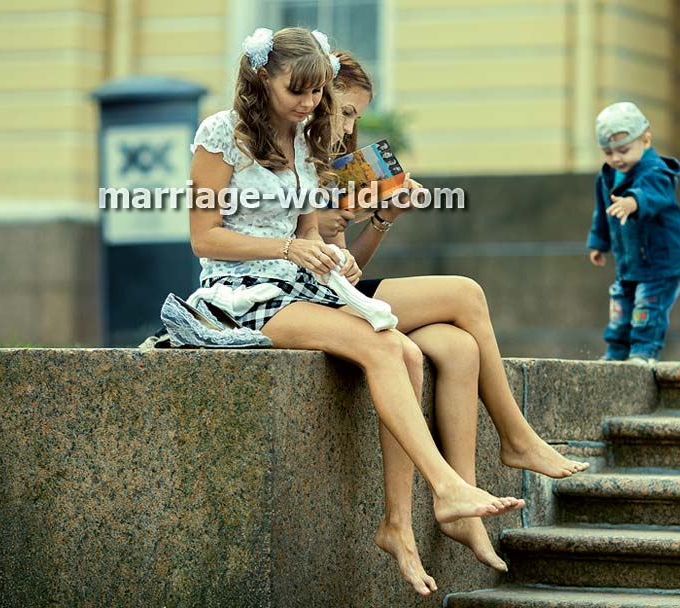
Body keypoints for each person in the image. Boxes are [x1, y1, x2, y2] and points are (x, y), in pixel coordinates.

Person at [187, 27, 523, 597]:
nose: (310, 103)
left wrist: (335, 254)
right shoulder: (219, 134)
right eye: (299, 90)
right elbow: (204, 238)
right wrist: (290, 248)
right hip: (238, 294)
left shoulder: (300, 141)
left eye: (318, 93)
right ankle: (446, 487)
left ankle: (397, 524)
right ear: (262, 78)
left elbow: (307, 231)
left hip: (297, 281)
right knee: (379, 343)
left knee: (404, 349)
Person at [317, 52, 590, 588]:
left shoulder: (340, 163)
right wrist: (315, 227)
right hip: (308, 302)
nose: (349, 127)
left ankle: (460, 507)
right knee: (466, 294)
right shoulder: (295, 155)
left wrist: (380, 221)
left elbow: (351, 266)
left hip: (341, 292)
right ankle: (515, 436)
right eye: (344, 112)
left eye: (356, 117)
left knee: (460, 349)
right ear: (317, 97)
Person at [586, 101, 680, 362]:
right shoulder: (607, 178)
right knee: (620, 308)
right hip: (629, 261)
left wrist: (633, 202)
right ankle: (617, 350)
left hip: (659, 263)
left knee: (647, 307)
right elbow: (603, 213)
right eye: (608, 153)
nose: (616, 158)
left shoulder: (656, 171)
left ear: (646, 140)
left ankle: (644, 351)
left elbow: (654, 194)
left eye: (623, 150)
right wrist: (599, 242)